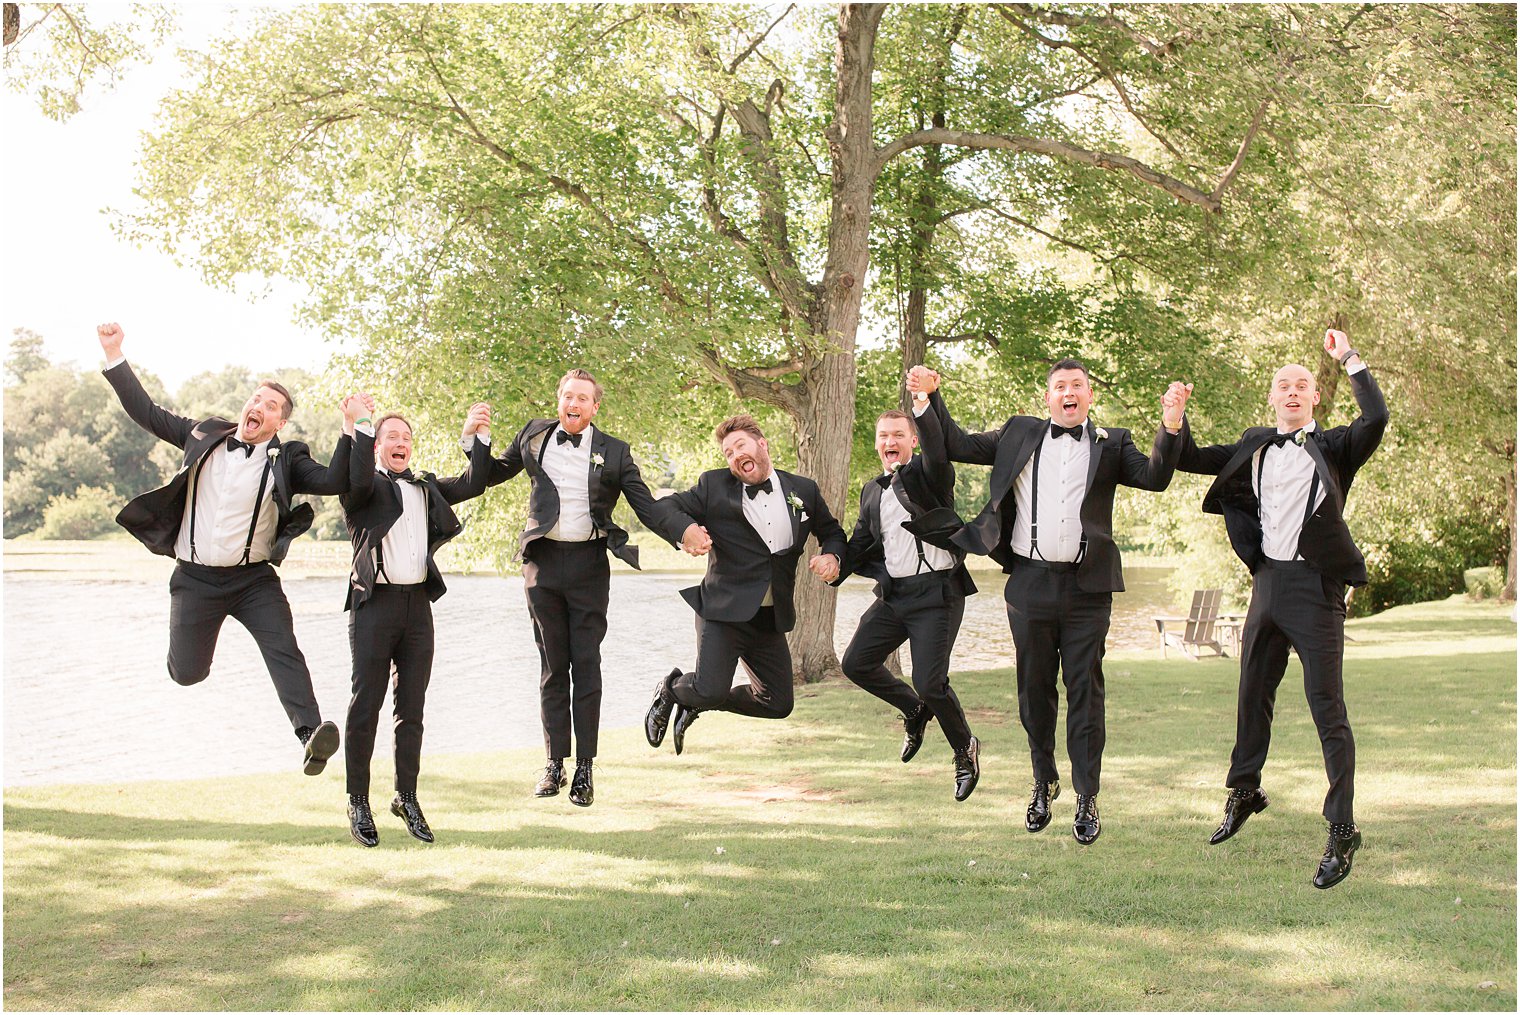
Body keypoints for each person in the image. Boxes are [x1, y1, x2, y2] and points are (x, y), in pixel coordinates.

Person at [913, 360, 1183, 843]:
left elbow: (1157, 477)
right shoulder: (1017, 433)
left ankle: (1086, 796)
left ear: (1089, 395)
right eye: (1060, 386)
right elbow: (955, 443)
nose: (1068, 392)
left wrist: (1171, 424)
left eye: (1077, 385)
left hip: (1088, 589)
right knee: (1034, 694)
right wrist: (930, 397)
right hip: (1029, 586)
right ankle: (1043, 781)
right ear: (1048, 397)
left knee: (1085, 692)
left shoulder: (1113, 443)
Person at [96, 321, 372, 774]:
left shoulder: (288, 459)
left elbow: (339, 480)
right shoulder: (203, 435)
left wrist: (350, 426)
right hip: (195, 578)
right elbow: (146, 412)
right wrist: (114, 354)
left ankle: (309, 733)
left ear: (281, 423)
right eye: (256, 399)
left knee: (284, 647)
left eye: (271, 406)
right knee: (187, 673)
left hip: (253, 581)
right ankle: (188, 659)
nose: (258, 407)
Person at [1176, 328, 1386, 889]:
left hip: (1317, 590)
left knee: (1326, 708)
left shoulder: (1337, 446)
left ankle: (1342, 829)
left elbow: (1377, 419)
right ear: (1272, 398)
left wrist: (1348, 357)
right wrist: (1173, 420)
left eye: (1302, 384)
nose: (1292, 391)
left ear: (1315, 397)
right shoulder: (1255, 443)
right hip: (1268, 584)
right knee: (1251, 692)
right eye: (1282, 385)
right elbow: (1191, 458)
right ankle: (1245, 791)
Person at [471, 369, 668, 806]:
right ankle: (554, 763)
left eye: (582, 398)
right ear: (559, 400)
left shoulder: (614, 453)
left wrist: (686, 531)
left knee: (587, 666)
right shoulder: (533, 436)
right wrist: (476, 440)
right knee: (551, 667)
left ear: (595, 407)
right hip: (542, 566)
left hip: (589, 566)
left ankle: (585, 770)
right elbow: (488, 475)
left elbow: (648, 508)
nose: (573, 403)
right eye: (567, 396)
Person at [643, 414, 848, 755]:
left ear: (762, 444)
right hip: (722, 612)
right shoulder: (713, 487)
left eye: (740, 445)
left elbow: (832, 532)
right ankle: (670, 689)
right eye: (728, 452)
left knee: (778, 703)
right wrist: (685, 530)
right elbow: (664, 507)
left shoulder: (804, 490)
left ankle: (699, 703)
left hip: (769, 618)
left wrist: (833, 557)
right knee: (709, 687)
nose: (735, 455)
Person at [339, 404, 493, 846]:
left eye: (406, 436)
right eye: (390, 436)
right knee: (365, 706)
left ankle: (406, 796)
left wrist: (474, 437)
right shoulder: (361, 487)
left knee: (412, 710)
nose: (400, 442)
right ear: (376, 447)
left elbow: (473, 483)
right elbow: (356, 475)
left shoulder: (424, 488)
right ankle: (358, 800)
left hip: (417, 609)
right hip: (374, 606)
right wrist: (358, 427)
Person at [833, 383, 981, 800]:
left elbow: (938, 449)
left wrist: (923, 404)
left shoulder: (931, 474)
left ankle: (965, 751)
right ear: (877, 444)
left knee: (931, 682)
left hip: (938, 594)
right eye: (883, 436)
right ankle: (914, 711)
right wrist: (835, 566)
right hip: (896, 596)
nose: (890, 441)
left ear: (912, 441)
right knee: (856, 663)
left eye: (899, 434)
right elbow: (860, 542)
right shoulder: (871, 490)